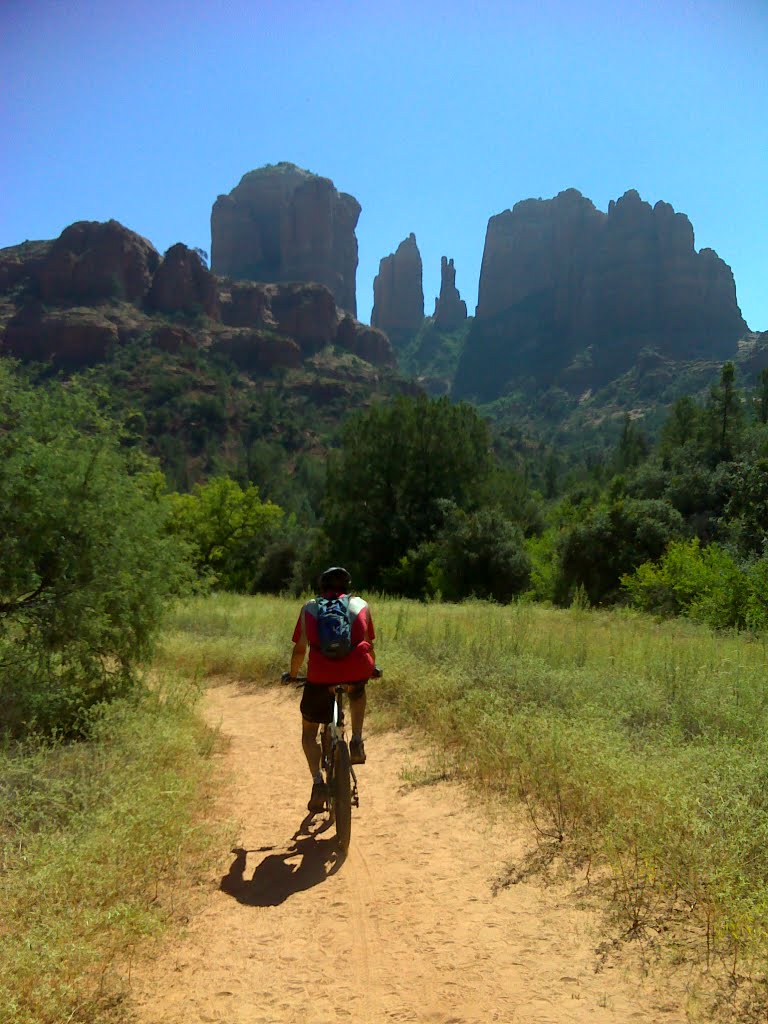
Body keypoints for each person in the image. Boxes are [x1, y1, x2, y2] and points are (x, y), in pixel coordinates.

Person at [286, 566, 376, 814]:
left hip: (320, 676)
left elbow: (300, 649)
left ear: (322, 587)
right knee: (358, 690)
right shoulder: (361, 605)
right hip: (356, 671)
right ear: (347, 587)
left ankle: (317, 783)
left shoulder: (310, 608)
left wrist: (293, 676)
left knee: (309, 732)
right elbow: (369, 643)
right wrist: (373, 668)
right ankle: (357, 739)